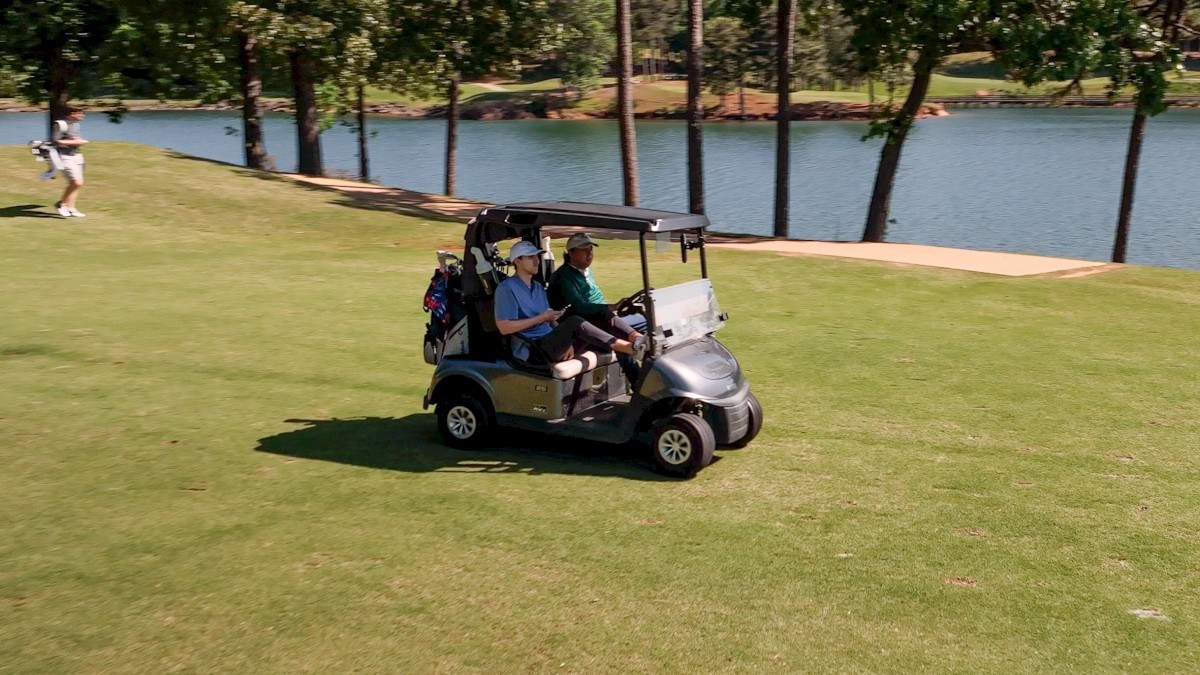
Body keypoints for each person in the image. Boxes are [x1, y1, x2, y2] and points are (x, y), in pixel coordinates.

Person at [495, 240, 643, 365]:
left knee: (598, 315)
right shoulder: (507, 288)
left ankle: (636, 341)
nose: (536, 261)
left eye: (537, 256)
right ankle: (630, 348)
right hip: (533, 349)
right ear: (517, 261)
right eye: (530, 257)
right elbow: (504, 327)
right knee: (574, 321)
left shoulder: (538, 287)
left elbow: (550, 320)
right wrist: (541, 318)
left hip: (550, 342)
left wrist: (567, 343)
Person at [548, 232, 644, 381]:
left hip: (601, 318)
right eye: (584, 250)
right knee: (620, 335)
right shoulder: (563, 277)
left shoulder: (586, 271)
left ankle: (644, 349)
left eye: (591, 249)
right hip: (582, 328)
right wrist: (609, 308)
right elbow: (578, 307)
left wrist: (614, 307)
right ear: (571, 253)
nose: (589, 253)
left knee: (645, 321)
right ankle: (639, 385)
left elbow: (596, 302)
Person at [52, 106, 88, 218]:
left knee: (75, 184)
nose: (83, 116)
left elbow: (74, 138)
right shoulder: (60, 124)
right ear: (72, 113)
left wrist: (78, 142)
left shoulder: (76, 125)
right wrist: (74, 142)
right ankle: (61, 204)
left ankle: (71, 208)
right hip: (64, 156)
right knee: (77, 182)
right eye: (80, 113)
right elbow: (55, 141)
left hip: (77, 155)